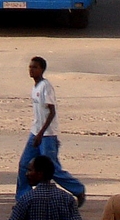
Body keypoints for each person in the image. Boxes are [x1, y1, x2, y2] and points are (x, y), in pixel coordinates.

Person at [19, 56, 85, 201]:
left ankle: (78, 189)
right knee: (25, 165)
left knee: (51, 168)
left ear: (41, 69)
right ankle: (22, 198)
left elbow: (51, 112)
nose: (31, 70)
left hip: (46, 135)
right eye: (30, 67)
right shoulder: (35, 87)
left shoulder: (45, 87)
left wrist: (41, 134)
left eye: (35, 67)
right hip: (35, 132)